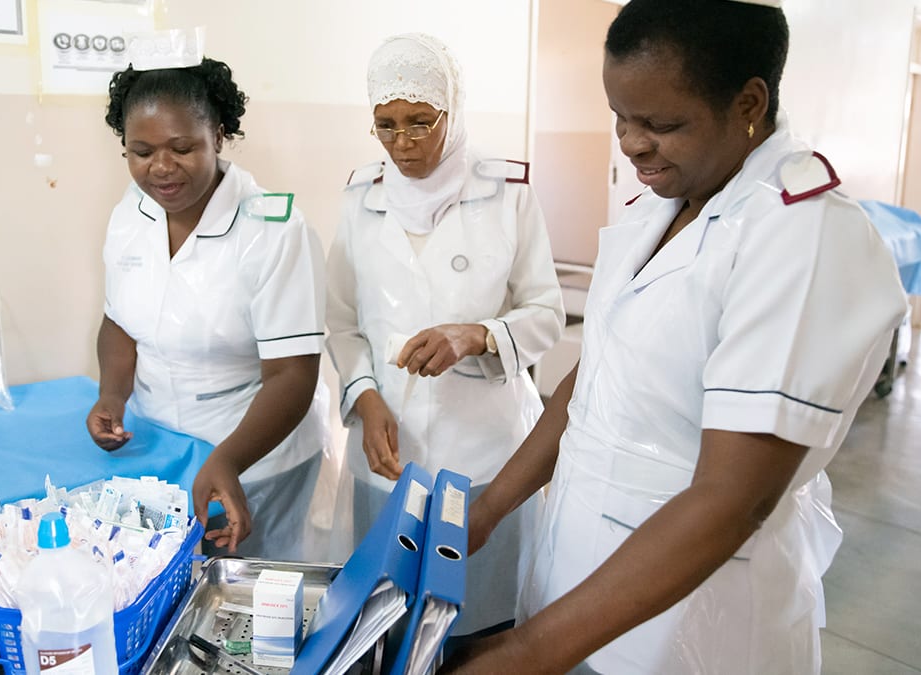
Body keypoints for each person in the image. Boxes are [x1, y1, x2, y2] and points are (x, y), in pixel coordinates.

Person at [442, 1, 908, 672]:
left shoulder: (802, 234)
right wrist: (488, 508)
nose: (631, 143)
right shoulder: (660, 206)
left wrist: (525, 650)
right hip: (578, 585)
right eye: (620, 119)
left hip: (695, 616)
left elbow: (733, 496)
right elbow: (595, 380)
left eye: (661, 123)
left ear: (749, 101)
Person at [326, 33, 565, 638]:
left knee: (479, 622)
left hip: (485, 453)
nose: (402, 143)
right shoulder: (361, 198)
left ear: (451, 112)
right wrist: (364, 395)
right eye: (386, 125)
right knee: (387, 620)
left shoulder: (508, 194)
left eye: (419, 122)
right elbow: (342, 320)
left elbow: (546, 314)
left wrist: (478, 336)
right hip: (387, 451)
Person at [87, 56, 329, 561]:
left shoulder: (275, 231)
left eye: (182, 148)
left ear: (217, 136)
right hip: (160, 449)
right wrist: (112, 395)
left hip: (257, 457)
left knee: (251, 604)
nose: (161, 167)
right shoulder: (129, 214)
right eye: (142, 151)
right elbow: (119, 321)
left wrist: (229, 459)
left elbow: (292, 374)